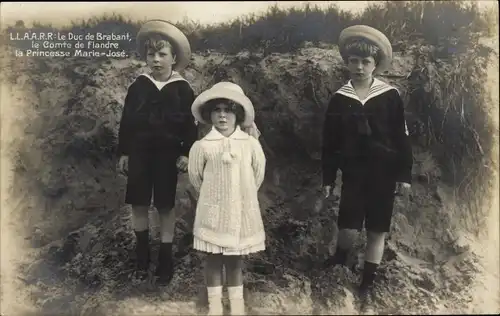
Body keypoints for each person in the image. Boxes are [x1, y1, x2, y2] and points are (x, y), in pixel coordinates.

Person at [321, 25, 413, 308]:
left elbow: (401, 136)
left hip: (383, 172)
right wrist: (328, 177)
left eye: (365, 62)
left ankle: (368, 280)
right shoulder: (340, 98)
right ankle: (340, 258)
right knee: (348, 226)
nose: (359, 67)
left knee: (377, 228)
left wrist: (404, 174)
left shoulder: (389, 95)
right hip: (353, 172)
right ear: (346, 62)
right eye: (354, 61)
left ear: (375, 64)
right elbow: (330, 141)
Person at [116, 19, 198, 285]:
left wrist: (185, 152)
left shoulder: (183, 89)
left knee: (164, 205)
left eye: (162, 54)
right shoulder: (138, 86)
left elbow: (189, 125)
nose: (156, 60)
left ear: (174, 58)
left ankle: (165, 257)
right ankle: (142, 255)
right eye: (151, 54)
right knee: (139, 202)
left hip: (167, 155)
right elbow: (126, 122)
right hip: (139, 153)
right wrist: (125, 152)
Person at [188, 82, 266, 315]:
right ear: (209, 114)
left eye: (228, 110)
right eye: (217, 110)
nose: (222, 115)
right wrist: (216, 196)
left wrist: (241, 195)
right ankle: (214, 306)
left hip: (241, 210)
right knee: (213, 257)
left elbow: (257, 175)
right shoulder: (202, 146)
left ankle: (237, 306)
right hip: (213, 210)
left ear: (238, 114)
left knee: (235, 260)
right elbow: (196, 178)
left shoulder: (250, 144)